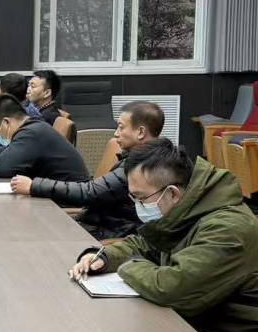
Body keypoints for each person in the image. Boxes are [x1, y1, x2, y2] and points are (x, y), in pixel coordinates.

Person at [68, 139, 258, 332]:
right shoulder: (189, 209)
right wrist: (104, 257)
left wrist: (129, 267)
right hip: (209, 323)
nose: (137, 206)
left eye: (140, 198)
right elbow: (145, 244)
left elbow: (171, 289)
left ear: (172, 193)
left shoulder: (226, 229)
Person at [11, 100, 163, 238]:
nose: (116, 133)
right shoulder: (142, 157)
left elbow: (90, 192)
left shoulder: (142, 166)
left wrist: (34, 186)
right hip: (101, 224)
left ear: (140, 132)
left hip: (110, 232)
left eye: (121, 127)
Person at [0, 94, 89, 184]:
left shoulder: (31, 133)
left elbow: (4, 168)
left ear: (6, 122)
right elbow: (12, 148)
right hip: (61, 189)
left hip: (68, 197)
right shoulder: (33, 127)